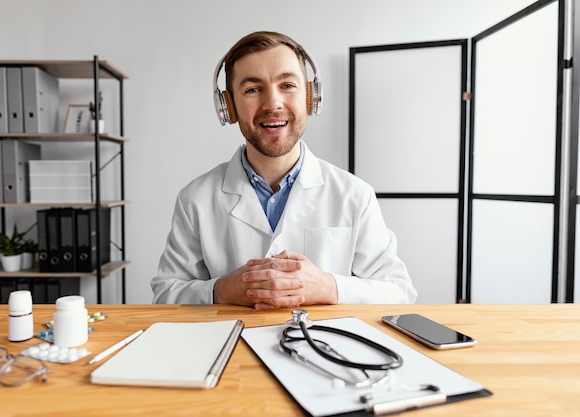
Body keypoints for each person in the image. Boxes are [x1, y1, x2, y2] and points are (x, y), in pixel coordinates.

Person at [151, 31, 416, 309]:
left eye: (287, 85)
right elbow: (165, 294)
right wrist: (221, 291)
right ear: (229, 107)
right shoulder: (195, 199)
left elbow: (399, 292)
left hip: (324, 350)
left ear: (311, 97)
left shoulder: (355, 195)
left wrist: (330, 287)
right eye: (253, 89)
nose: (273, 104)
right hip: (231, 349)